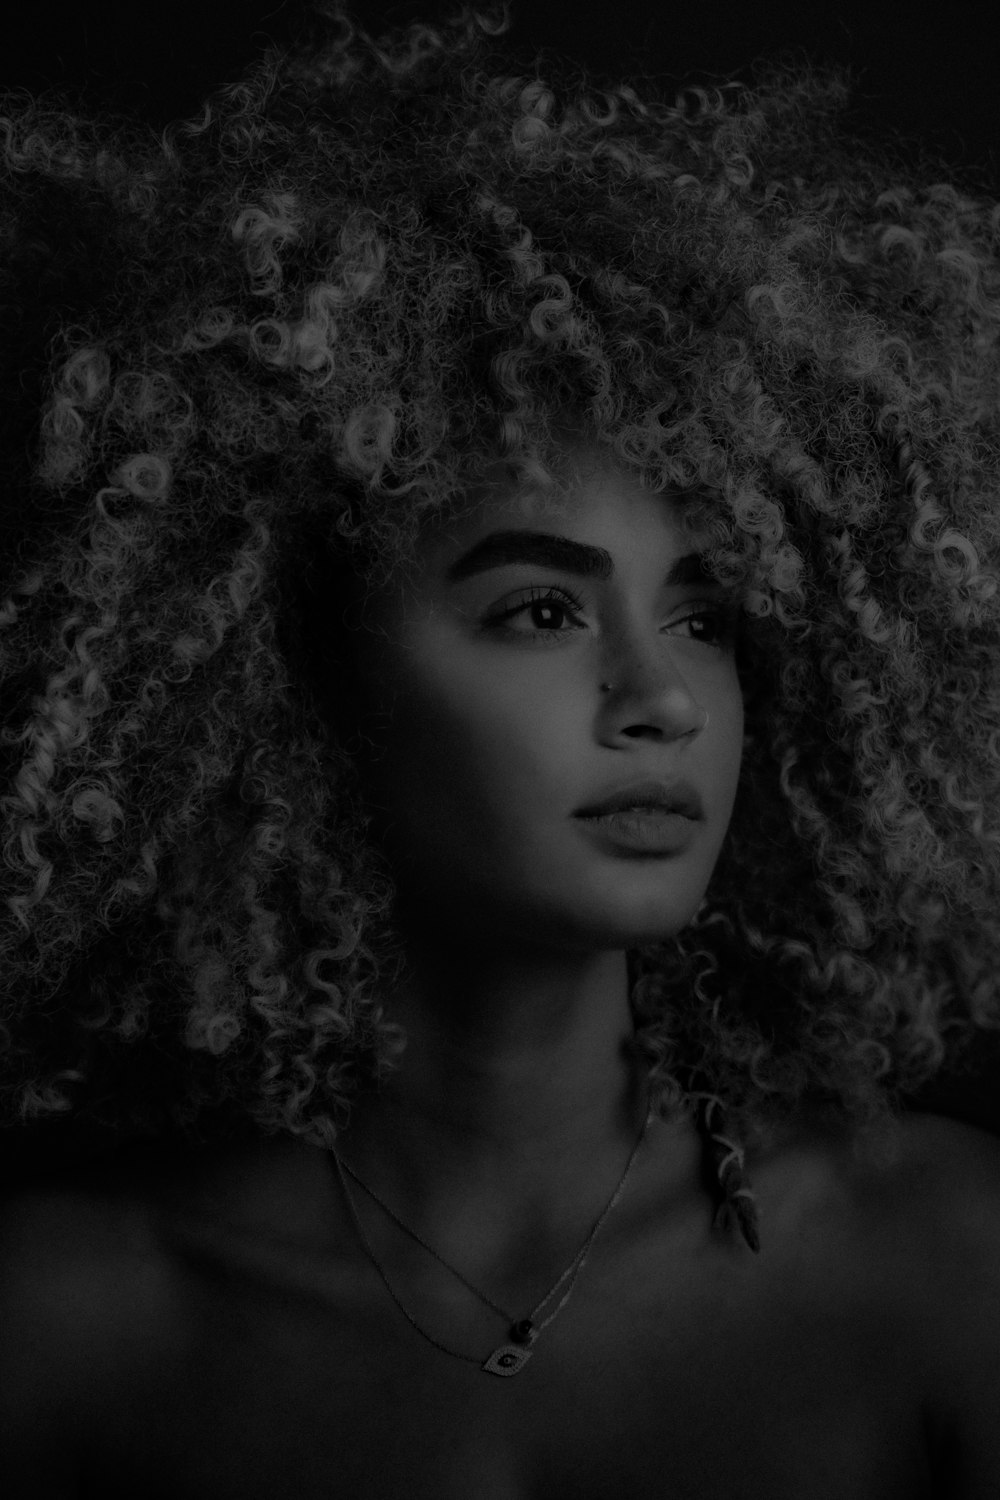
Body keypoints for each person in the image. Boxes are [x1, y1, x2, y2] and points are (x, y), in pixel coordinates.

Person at [2, 2, 1000, 1493]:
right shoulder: (69, 1319)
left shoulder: (944, 1260)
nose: (658, 698)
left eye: (709, 617)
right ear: (313, 687)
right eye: (542, 610)